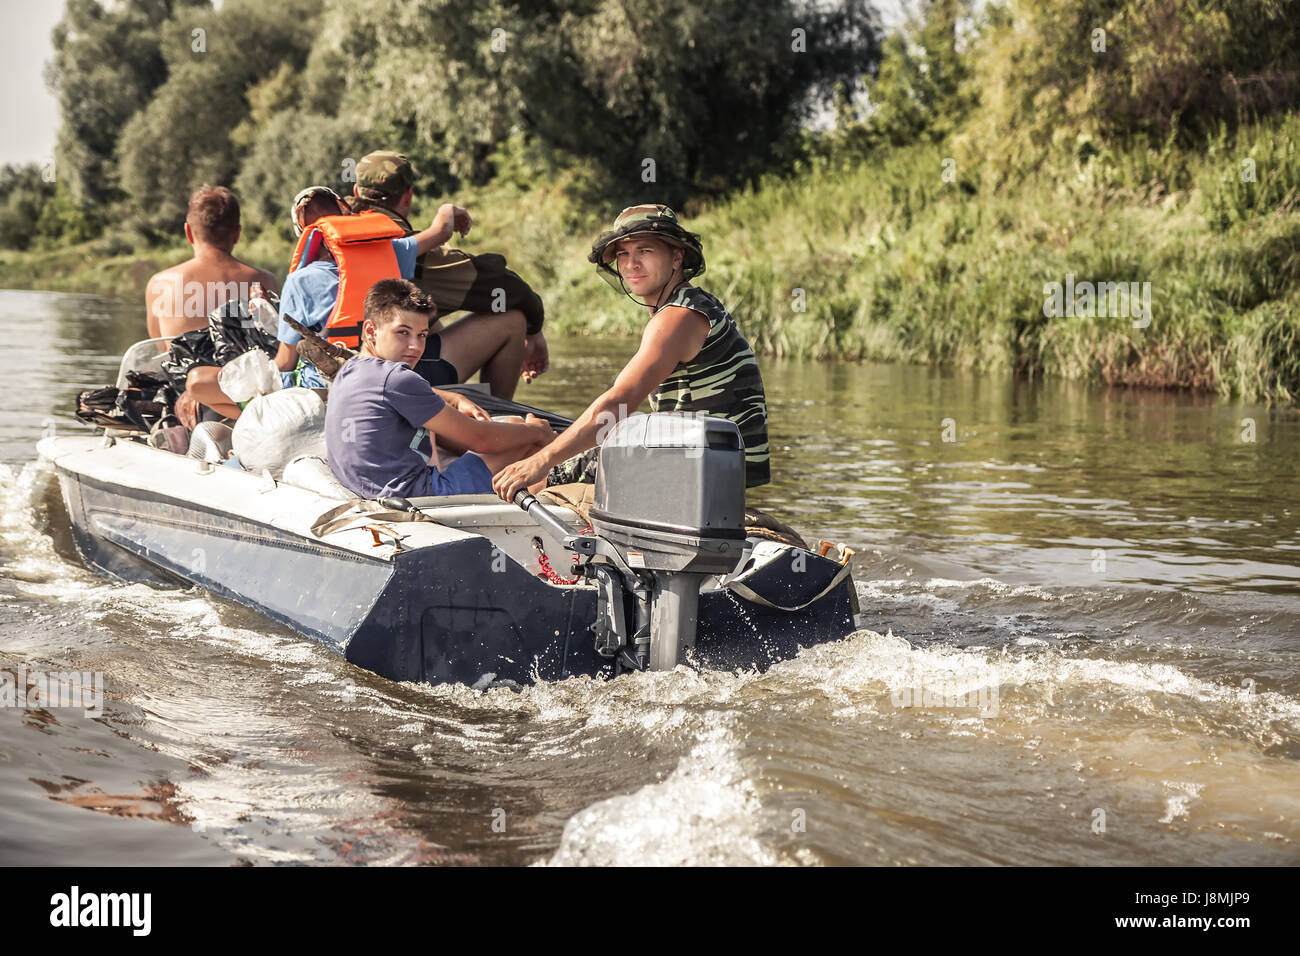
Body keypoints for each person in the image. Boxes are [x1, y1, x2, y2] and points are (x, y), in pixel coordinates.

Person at [492, 204, 771, 501]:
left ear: (677, 257)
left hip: (697, 468)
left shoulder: (677, 317)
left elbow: (620, 402)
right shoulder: (691, 304)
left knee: (534, 477)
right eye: (623, 254)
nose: (631, 264)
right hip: (711, 464)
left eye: (645, 251)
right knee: (554, 446)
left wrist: (541, 461)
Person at [325, 279, 555, 499]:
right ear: (371, 330)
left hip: (367, 487)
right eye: (403, 332)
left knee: (507, 433)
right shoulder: (397, 378)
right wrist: (538, 431)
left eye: (422, 335)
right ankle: (541, 504)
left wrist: (454, 399)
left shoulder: (350, 368)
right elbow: (480, 439)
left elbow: (393, 393)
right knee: (519, 431)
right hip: (422, 495)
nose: (415, 347)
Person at [345, 151, 547, 399]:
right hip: (391, 376)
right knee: (513, 319)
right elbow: (505, 287)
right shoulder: (409, 247)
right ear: (408, 196)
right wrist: (534, 330)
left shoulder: (334, 237)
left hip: (343, 368)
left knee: (426, 319)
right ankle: (497, 421)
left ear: (356, 192)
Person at [272, 188, 471, 391]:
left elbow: (286, 362)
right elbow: (441, 231)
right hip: (393, 373)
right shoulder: (394, 252)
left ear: (304, 234)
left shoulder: (299, 281)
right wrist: (450, 208)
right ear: (347, 219)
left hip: (333, 386)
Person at [144, 185, 279, 426]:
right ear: (237, 234)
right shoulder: (265, 282)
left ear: (188, 232)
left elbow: (163, 352)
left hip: (187, 411)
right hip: (250, 406)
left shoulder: (160, 284)